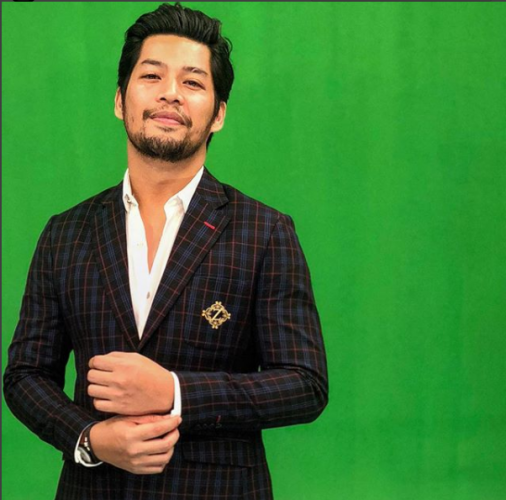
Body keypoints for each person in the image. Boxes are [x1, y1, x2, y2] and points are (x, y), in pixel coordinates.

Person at [4, 3, 328, 499]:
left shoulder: (264, 232)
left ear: (218, 114)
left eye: (193, 82)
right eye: (151, 75)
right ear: (120, 99)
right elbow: (25, 375)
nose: (170, 93)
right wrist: (89, 439)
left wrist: (175, 392)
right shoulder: (65, 233)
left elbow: (305, 384)